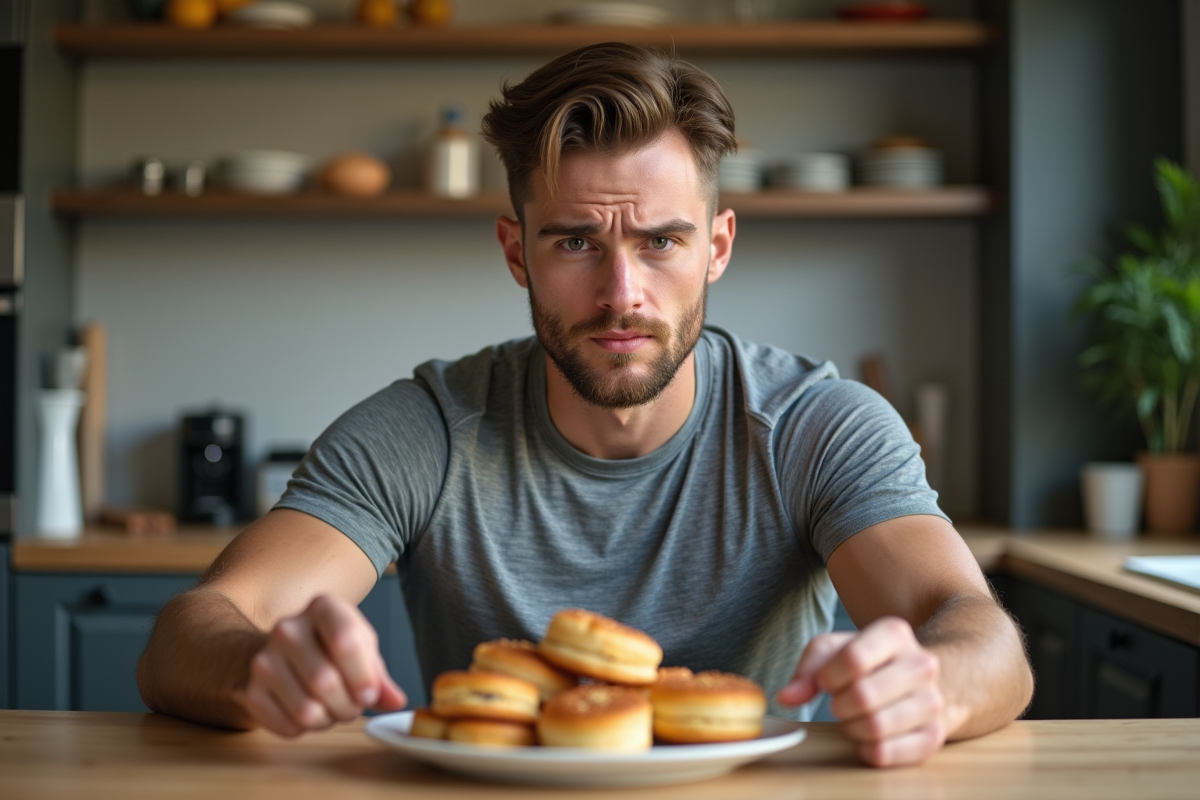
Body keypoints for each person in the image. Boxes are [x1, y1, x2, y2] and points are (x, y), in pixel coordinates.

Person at [137, 42, 1032, 768]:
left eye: (661, 242)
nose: (621, 294)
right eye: (575, 242)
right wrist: (260, 665)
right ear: (516, 251)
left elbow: (978, 631)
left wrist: (931, 685)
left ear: (718, 247)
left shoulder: (815, 426)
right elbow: (188, 633)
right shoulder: (428, 429)